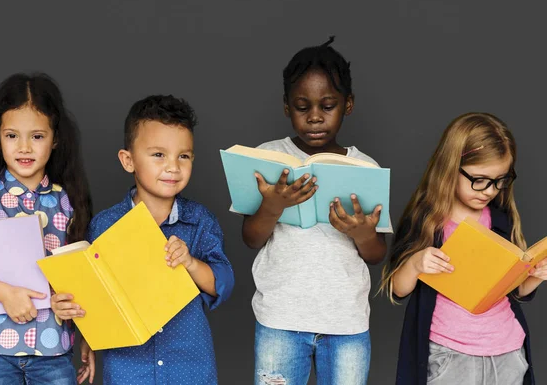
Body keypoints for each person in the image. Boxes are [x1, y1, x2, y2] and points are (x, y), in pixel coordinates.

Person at [52, 94, 234, 384]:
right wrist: (74, 316)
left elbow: (222, 284)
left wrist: (189, 262)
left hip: (189, 368)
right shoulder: (104, 226)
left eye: (183, 156)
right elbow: (94, 295)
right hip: (127, 369)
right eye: (159, 154)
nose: (173, 166)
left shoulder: (200, 221)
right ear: (128, 160)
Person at [242, 36, 390, 385]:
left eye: (327, 105)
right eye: (301, 106)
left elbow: (376, 255)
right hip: (280, 318)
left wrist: (362, 233)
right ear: (286, 106)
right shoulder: (268, 157)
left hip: (346, 323)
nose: (314, 118)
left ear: (348, 104)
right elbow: (250, 238)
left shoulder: (365, 168)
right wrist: (272, 205)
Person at [0, 72, 93, 384]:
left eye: (37, 136)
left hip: (54, 348)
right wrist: (4, 293)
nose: (24, 147)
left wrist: (84, 331)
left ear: (55, 139)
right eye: (12, 135)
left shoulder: (67, 200)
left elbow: (80, 277)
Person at [381, 112, 546, 384]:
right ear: (451, 166)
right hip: (449, 352)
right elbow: (397, 289)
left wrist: (534, 277)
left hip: (507, 349)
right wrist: (415, 264)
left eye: (500, 180)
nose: (490, 191)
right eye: (479, 179)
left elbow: (513, 291)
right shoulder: (427, 220)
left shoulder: (501, 218)